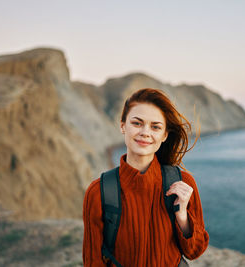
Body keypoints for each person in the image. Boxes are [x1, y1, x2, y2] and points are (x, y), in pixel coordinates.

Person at [82, 88, 209, 266]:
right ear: (122, 126)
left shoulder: (184, 184)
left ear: (164, 135)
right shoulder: (98, 192)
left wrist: (182, 216)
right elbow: (93, 262)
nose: (145, 132)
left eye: (155, 127)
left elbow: (195, 251)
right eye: (137, 123)